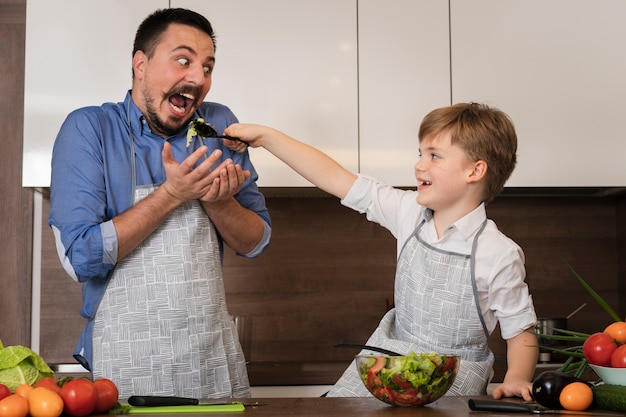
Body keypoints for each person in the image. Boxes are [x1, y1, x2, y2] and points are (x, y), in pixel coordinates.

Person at [224, 102, 538, 400]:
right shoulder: (408, 213)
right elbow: (334, 177)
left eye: (434, 156)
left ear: (475, 171)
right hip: (391, 367)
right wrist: (267, 137)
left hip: (454, 381)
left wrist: (517, 378)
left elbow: (520, 332)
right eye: (420, 153)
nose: (418, 165)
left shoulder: (498, 252)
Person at [48, 8, 271, 399]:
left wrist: (217, 202)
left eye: (207, 66)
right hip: (124, 359)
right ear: (140, 64)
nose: (199, 79)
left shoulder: (218, 126)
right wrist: (172, 194)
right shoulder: (90, 129)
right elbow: (81, 258)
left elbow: (255, 241)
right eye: (183, 60)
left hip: (210, 355)